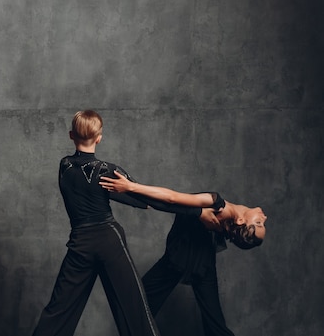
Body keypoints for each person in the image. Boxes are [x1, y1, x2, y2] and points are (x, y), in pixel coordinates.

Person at [31, 110, 224, 336]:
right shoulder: (107, 171)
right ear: (99, 137)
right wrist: (198, 211)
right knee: (135, 309)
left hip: (79, 243)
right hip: (108, 241)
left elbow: (83, 185)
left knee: (59, 310)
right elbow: (149, 201)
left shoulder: (64, 166)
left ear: (71, 135)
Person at [98, 171, 267, 336]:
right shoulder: (225, 223)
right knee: (214, 324)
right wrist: (199, 213)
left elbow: (171, 199)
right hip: (199, 263)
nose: (264, 218)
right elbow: (173, 203)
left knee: (139, 303)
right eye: (260, 223)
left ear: (240, 221)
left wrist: (131, 187)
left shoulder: (215, 203)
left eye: (259, 223)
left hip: (183, 260)